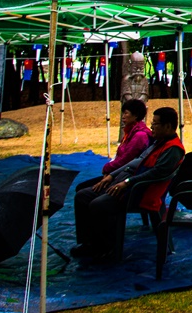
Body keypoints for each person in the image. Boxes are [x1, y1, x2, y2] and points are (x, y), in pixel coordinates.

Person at [72, 106, 184, 261]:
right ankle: (88, 243)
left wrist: (127, 182)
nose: (151, 127)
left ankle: (108, 248)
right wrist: (111, 176)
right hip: (125, 181)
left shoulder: (173, 149)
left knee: (98, 204)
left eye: (155, 124)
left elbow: (155, 174)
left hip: (140, 192)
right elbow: (135, 162)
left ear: (168, 126)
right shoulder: (157, 142)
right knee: (82, 195)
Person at [104, 99, 152, 176]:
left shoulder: (140, 135)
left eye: (126, 113)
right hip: (119, 172)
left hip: (127, 174)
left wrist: (107, 168)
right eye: (123, 113)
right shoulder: (130, 132)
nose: (123, 117)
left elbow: (126, 159)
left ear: (136, 115)